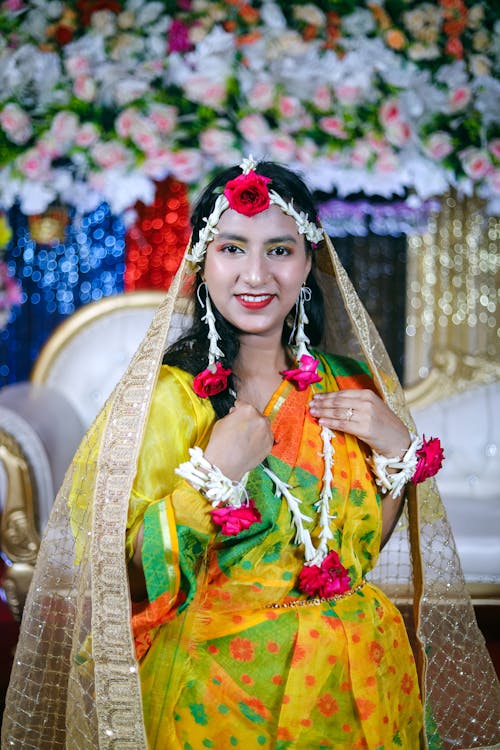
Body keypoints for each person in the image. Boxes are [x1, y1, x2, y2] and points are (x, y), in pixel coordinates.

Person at [2, 159, 499, 750]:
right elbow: (122, 573)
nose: (256, 274)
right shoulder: (169, 398)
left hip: (349, 674)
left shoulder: (348, 388)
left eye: (280, 251)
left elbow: (353, 554)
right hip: (218, 681)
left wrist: (397, 451)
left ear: (310, 262)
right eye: (233, 248)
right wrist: (214, 474)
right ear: (201, 263)